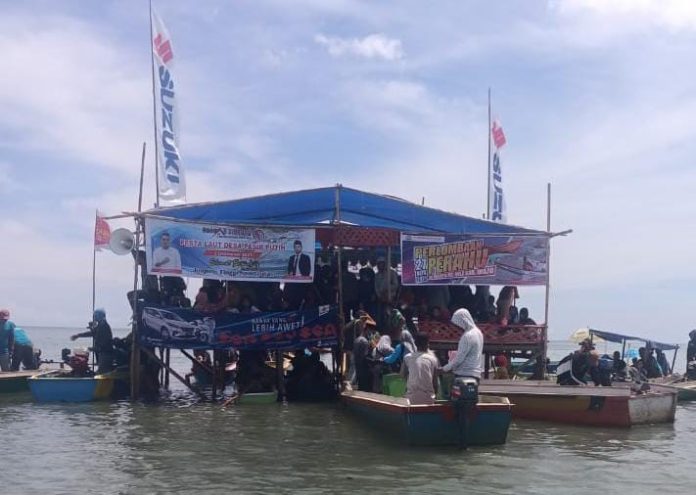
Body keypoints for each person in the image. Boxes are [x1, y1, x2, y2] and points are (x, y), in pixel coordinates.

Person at [440, 308, 484, 382]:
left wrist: (443, 369)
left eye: (458, 325)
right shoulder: (478, 332)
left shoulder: (467, 336)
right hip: (476, 374)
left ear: (463, 322)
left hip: (464, 374)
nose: (457, 328)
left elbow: (458, 360)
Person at [71, 309, 114, 374]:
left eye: (95, 316)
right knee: (100, 370)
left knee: (103, 372)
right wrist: (78, 335)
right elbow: (92, 333)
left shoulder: (104, 326)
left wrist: (93, 348)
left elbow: (103, 341)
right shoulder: (100, 325)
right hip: (100, 352)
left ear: (100, 316)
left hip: (105, 353)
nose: (94, 317)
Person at [401, 332, 440, 405]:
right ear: (428, 344)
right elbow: (435, 384)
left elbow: (402, 375)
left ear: (415, 343)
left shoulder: (407, 357)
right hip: (428, 399)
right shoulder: (433, 359)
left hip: (410, 399)